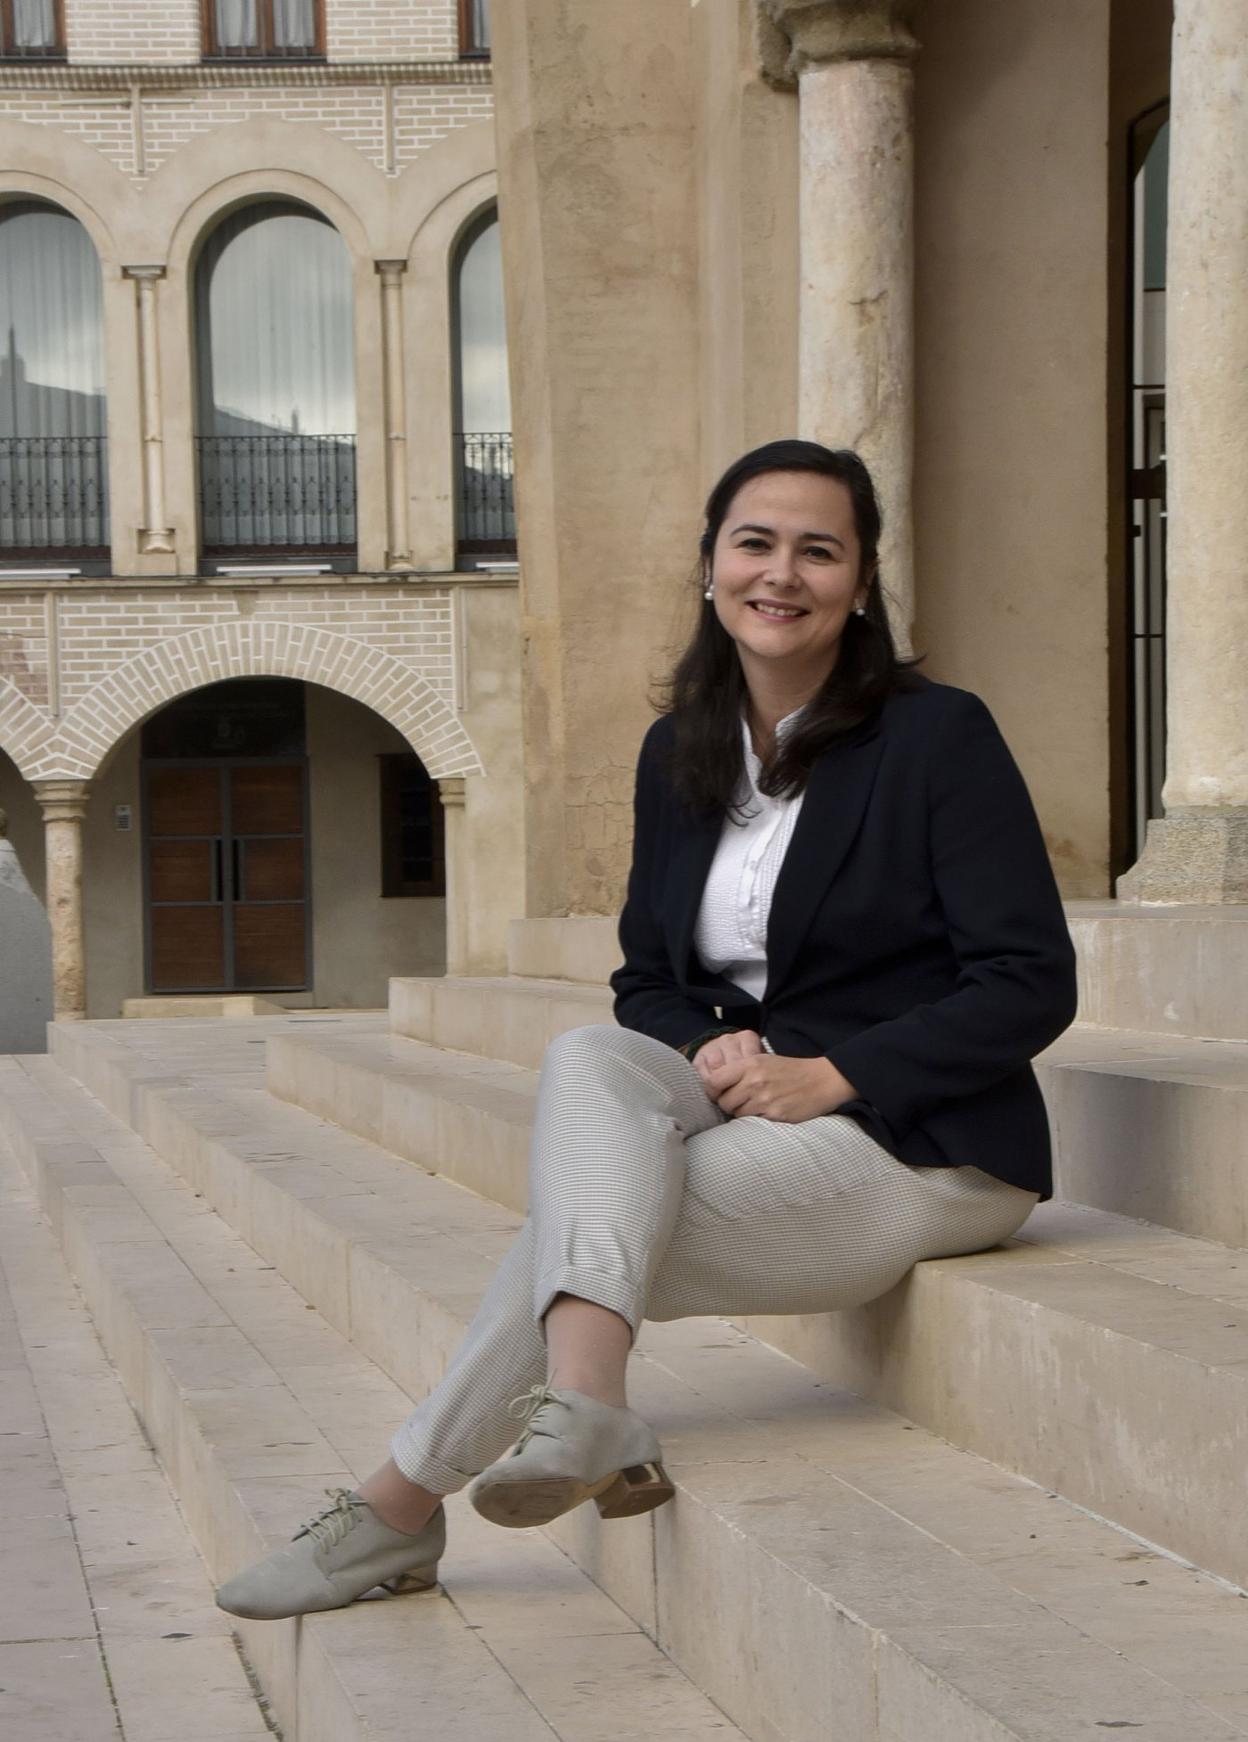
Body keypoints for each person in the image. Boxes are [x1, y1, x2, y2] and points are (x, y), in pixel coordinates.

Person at [217, 438, 1078, 1621]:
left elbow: (1029, 979)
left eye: (819, 550)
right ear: (712, 565)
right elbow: (646, 979)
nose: (783, 573)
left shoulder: (937, 739)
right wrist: (715, 1041)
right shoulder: (678, 750)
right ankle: (573, 1415)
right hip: (749, 1099)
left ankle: (402, 1504)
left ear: (863, 582)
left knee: (582, 1235)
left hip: (924, 1144)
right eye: (755, 542)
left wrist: (837, 1071)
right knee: (588, 1056)